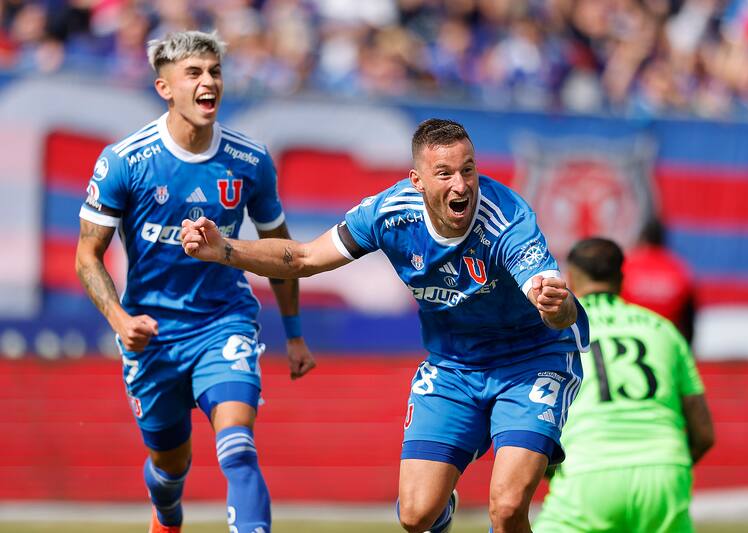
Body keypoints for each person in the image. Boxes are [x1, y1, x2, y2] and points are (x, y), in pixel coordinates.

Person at [181, 118, 590, 533]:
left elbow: (560, 309)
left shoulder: (507, 218)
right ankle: (441, 504)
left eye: (468, 169)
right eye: (445, 173)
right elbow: (304, 258)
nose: (462, 185)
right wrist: (225, 249)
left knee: (506, 507)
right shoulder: (388, 214)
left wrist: (552, 306)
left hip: (530, 362)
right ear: (417, 181)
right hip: (453, 366)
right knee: (416, 515)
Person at [74, 30, 315, 533]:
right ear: (165, 88)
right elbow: (86, 256)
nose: (209, 83)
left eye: (215, 72)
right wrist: (121, 321)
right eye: (195, 73)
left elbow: (283, 252)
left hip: (222, 322)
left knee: (238, 448)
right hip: (152, 334)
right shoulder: (125, 161)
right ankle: (166, 516)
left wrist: (293, 332)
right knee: (170, 465)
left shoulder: (250, 160)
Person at [534, 237, 715, 533]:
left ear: (571, 277)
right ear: (620, 277)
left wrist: (553, 471)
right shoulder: (663, 329)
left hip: (589, 470)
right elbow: (704, 434)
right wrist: (667, 465)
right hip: (663, 471)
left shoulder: (557, 334)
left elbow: (533, 417)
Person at [621, 217, 696, 343]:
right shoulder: (678, 267)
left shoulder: (627, 264)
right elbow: (689, 319)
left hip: (631, 339)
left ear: (642, 238)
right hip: (666, 340)